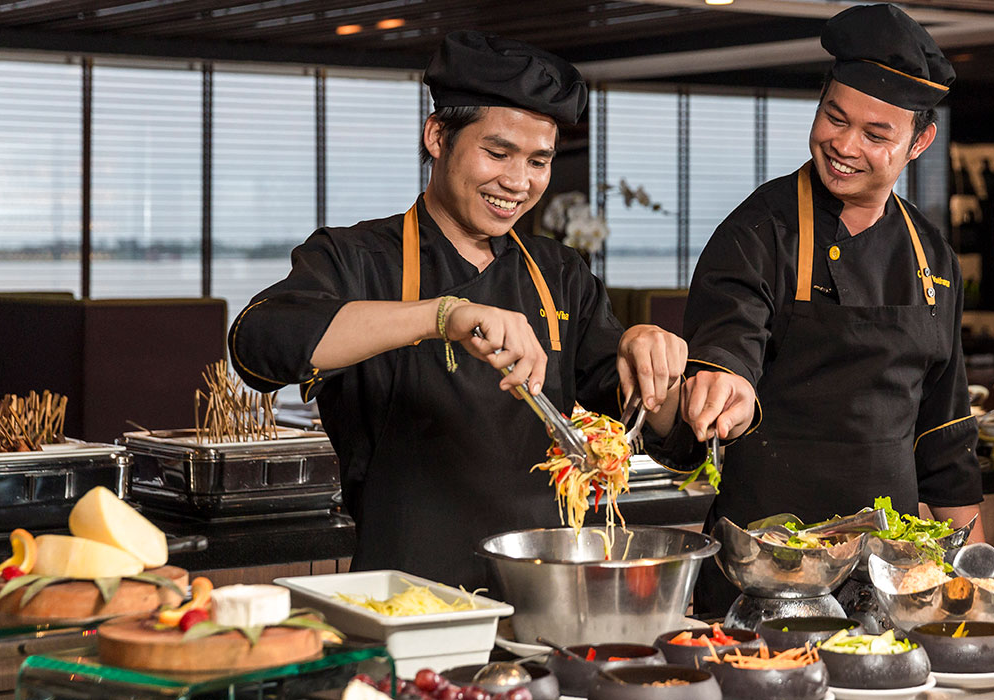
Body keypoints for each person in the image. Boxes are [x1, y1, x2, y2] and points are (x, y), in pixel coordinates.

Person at [228, 31, 686, 591]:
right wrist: (442, 317)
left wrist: (657, 362)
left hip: (547, 596)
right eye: (498, 153)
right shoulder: (357, 258)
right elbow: (259, 344)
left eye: (538, 161)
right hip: (405, 596)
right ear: (438, 136)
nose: (517, 182)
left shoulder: (560, 274)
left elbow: (658, 427)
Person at [675, 3, 984, 615]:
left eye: (876, 135)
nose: (844, 145)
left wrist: (971, 581)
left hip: (890, 575)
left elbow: (944, 430)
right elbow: (729, 338)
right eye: (834, 118)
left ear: (919, 142)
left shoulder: (933, 257)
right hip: (765, 569)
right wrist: (723, 379)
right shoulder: (758, 231)